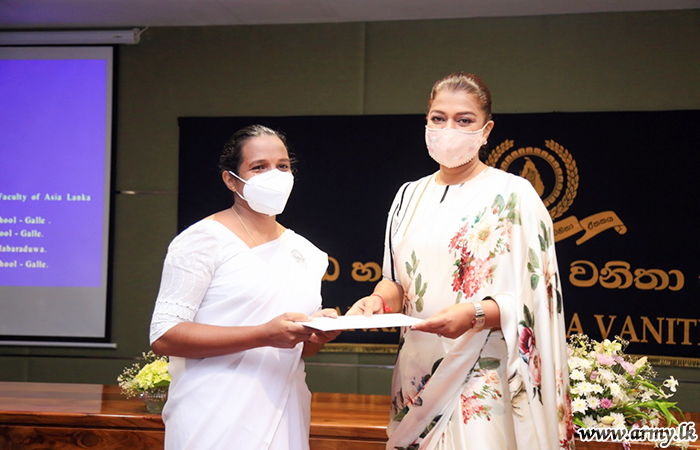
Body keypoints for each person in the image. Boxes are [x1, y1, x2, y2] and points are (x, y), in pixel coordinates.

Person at [348, 72, 573, 449]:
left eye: (464, 120)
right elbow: (396, 283)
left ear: (486, 130)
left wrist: (474, 314)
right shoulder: (408, 196)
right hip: (417, 376)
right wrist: (377, 302)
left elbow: (538, 301)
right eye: (438, 118)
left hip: (482, 373)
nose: (448, 129)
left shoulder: (515, 195)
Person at [149, 124, 340, 450]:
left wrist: (317, 335)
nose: (275, 176)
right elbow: (164, 335)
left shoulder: (306, 252)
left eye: (282, 166)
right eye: (259, 167)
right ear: (231, 180)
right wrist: (262, 334)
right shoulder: (202, 241)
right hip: (212, 414)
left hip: (283, 408)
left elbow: (297, 348)